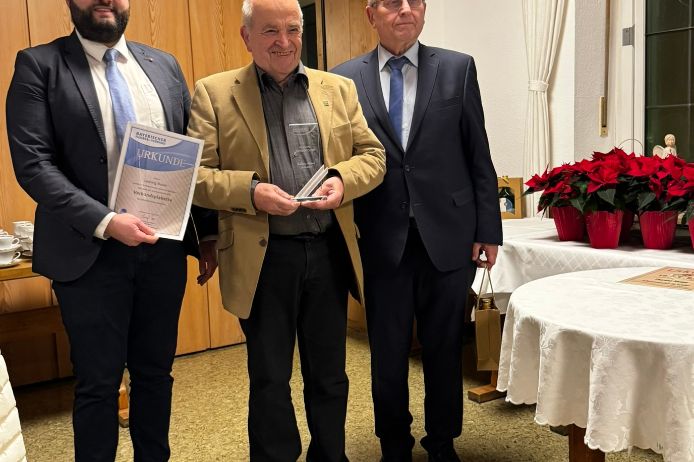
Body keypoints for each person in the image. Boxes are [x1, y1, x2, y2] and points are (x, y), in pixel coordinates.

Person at [6, 1, 217, 460]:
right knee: (99, 384)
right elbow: (34, 165)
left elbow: (189, 155)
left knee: (155, 374)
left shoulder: (163, 65)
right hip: (89, 253)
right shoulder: (40, 66)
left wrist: (207, 234)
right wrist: (106, 221)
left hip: (161, 250)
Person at [187, 0, 385, 460]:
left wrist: (342, 180)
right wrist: (251, 192)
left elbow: (373, 157)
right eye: (270, 30)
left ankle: (330, 455)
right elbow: (195, 176)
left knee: (330, 374)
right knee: (270, 377)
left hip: (327, 252)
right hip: (264, 257)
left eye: (292, 29)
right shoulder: (214, 93)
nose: (284, 41)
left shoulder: (338, 88)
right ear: (246, 36)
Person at [332, 0, 502, 460]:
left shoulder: (457, 69)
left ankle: (442, 442)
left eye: (415, 1)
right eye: (392, 2)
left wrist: (489, 229)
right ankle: (394, 444)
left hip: (449, 235)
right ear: (371, 14)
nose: (405, 10)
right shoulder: (343, 79)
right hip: (379, 238)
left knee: (444, 348)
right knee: (387, 353)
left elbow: (478, 153)